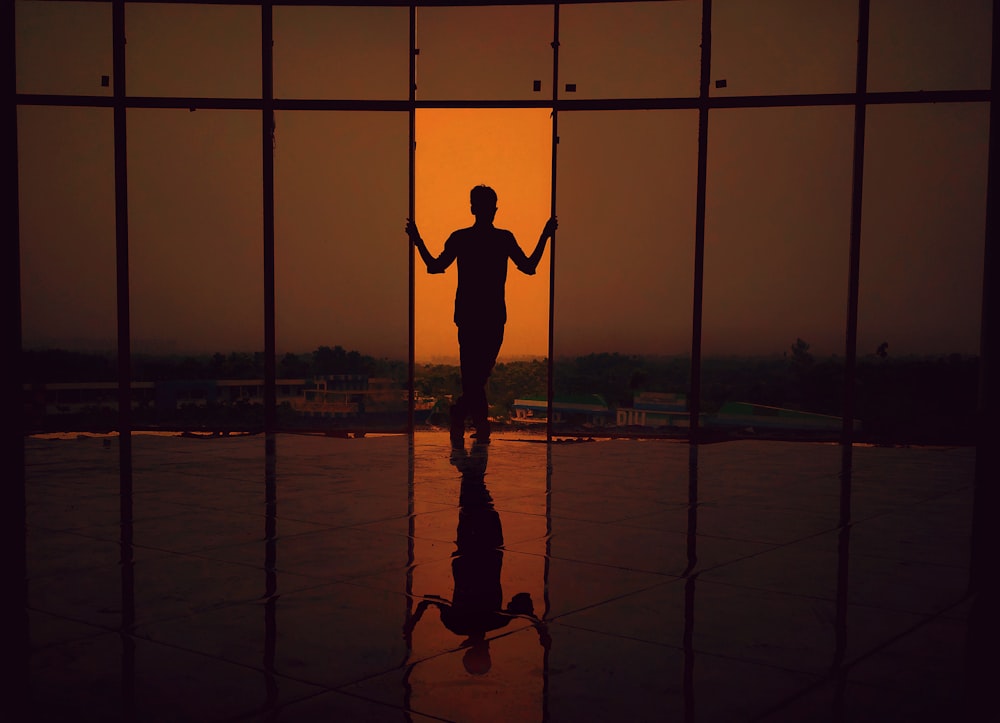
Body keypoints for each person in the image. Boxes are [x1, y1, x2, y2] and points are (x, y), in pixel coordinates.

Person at [407, 185, 556, 446]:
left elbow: (434, 266)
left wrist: (418, 239)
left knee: (474, 377)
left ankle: (463, 418)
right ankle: (479, 425)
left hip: (469, 316)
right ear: (492, 209)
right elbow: (530, 267)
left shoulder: (462, 238)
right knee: (478, 376)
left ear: (473, 208)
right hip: (491, 316)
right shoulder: (502, 239)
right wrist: (545, 236)